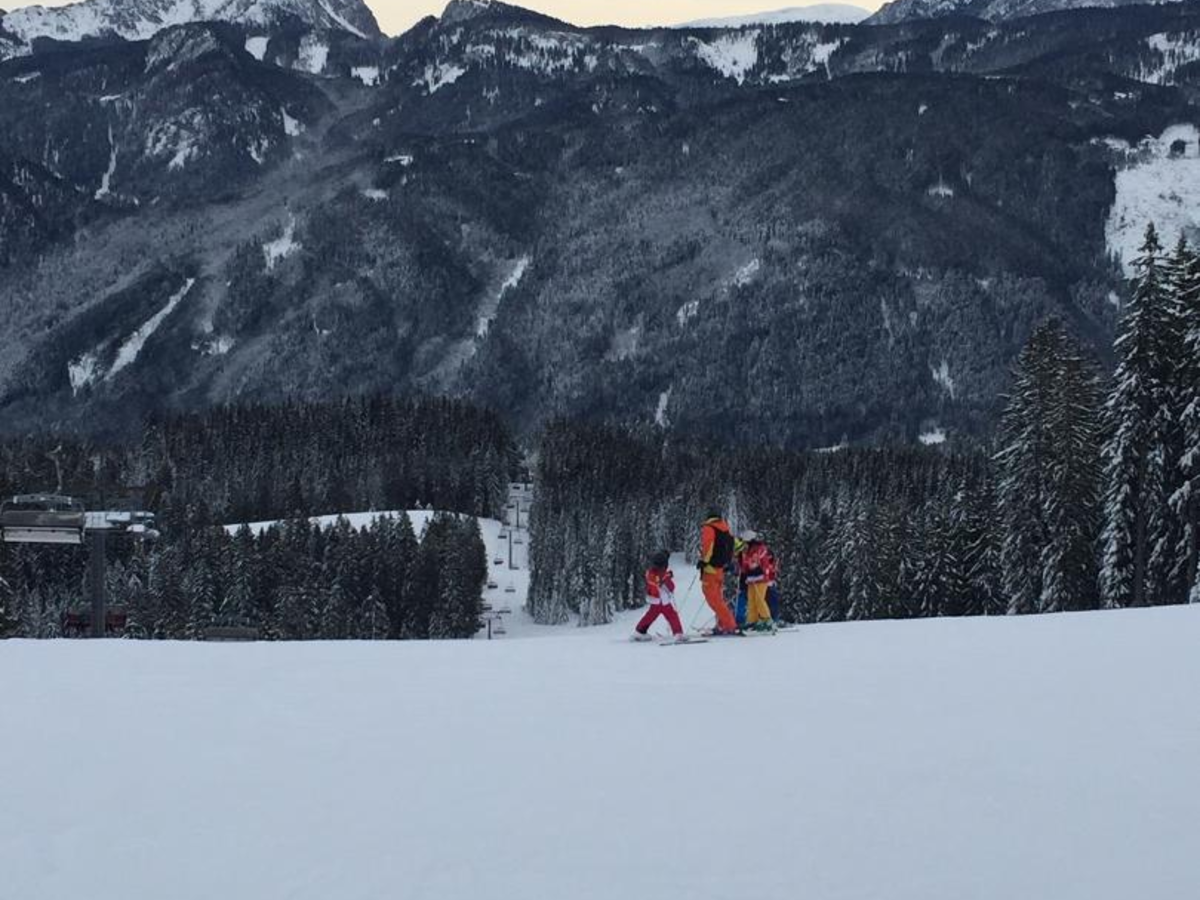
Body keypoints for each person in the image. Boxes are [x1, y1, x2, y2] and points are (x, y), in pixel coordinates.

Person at [698, 509, 739, 635]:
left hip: (710, 568)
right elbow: (733, 546)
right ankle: (722, 624)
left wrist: (704, 561)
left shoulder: (709, 528)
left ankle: (729, 625)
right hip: (720, 569)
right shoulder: (725, 529)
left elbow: (708, 545)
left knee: (713, 599)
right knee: (718, 598)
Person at [632, 551, 684, 641]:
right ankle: (678, 633)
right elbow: (671, 587)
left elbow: (657, 579)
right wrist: (667, 577)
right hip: (662, 601)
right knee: (672, 616)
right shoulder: (661, 575)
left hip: (655, 600)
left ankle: (640, 631)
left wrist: (667, 576)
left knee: (650, 616)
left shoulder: (651, 573)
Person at [737, 530, 775, 632]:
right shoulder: (747, 550)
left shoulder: (759, 548)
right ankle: (752, 620)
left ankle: (767, 619)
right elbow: (746, 564)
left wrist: (752, 567)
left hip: (761, 578)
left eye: (745, 541)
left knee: (759, 599)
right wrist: (742, 564)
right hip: (751, 579)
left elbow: (757, 562)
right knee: (751, 600)